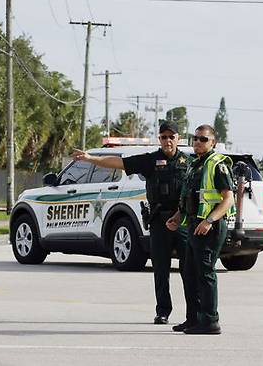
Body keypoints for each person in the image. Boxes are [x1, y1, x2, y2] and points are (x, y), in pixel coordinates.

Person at [71, 121, 194, 326]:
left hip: (182, 221)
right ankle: (163, 310)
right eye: (163, 137)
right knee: (160, 269)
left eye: (171, 137)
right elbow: (120, 163)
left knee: (188, 269)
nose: (167, 141)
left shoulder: (188, 162)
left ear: (178, 139)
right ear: (159, 139)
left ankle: (193, 314)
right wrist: (91, 158)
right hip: (159, 220)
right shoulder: (151, 160)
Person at [166, 124, 235, 335]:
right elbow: (190, 197)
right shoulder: (195, 164)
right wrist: (178, 217)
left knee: (205, 273)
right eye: (195, 138)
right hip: (194, 225)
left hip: (210, 228)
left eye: (203, 139)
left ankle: (210, 320)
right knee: (189, 272)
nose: (198, 142)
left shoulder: (217, 164)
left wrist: (210, 220)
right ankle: (194, 318)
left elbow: (228, 199)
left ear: (213, 142)